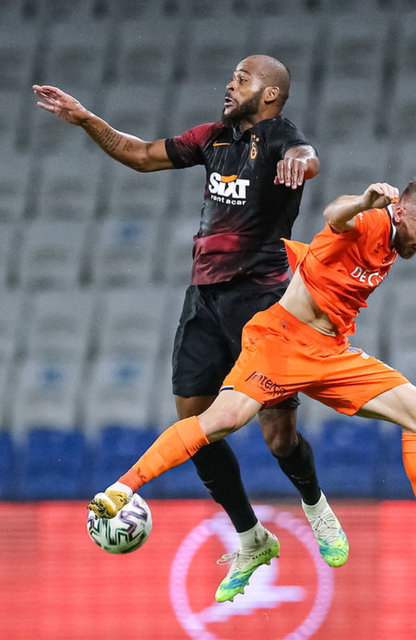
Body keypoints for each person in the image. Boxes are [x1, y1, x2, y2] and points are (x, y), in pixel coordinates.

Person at [33, 55, 349, 603]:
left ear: (270, 95)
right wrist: (86, 119)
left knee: (279, 438)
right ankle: (251, 538)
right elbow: (140, 155)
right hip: (203, 302)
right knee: (194, 428)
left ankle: (316, 506)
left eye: (243, 79)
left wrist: (302, 164)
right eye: (232, 76)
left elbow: (306, 155)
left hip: (263, 306)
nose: (230, 84)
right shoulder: (212, 138)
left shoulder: (280, 138)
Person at [89, 177, 416, 581]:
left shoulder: (392, 241)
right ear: (400, 212)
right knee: (222, 421)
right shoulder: (370, 220)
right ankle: (122, 488)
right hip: (281, 343)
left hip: (330, 351)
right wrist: (363, 202)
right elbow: (336, 215)